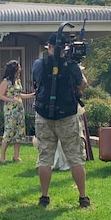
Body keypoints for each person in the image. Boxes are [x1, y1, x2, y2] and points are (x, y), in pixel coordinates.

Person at [33, 33, 90, 208]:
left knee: (45, 158)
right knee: (75, 157)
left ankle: (44, 196)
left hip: (44, 115)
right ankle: (82, 197)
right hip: (67, 116)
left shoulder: (39, 64)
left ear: (48, 46)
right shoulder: (72, 66)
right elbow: (82, 84)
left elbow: (36, 80)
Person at [0, 59, 34, 163]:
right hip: (10, 110)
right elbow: (0, 95)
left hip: (19, 109)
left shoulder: (18, 81)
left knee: (19, 132)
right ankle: (2, 157)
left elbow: (19, 95)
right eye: (19, 66)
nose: (20, 68)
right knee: (9, 131)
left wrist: (30, 95)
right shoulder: (5, 82)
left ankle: (16, 156)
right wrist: (11, 100)